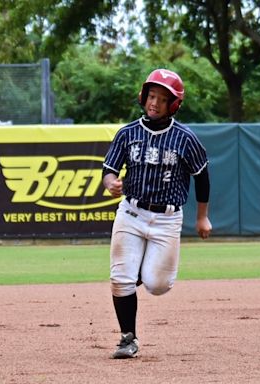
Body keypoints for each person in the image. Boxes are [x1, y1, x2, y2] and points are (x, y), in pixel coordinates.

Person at [102, 68, 212, 358]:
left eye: (162, 99)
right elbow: (109, 169)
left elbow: (202, 176)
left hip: (167, 219)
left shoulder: (185, 138)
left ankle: (136, 272)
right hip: (131, 212)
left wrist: (202, 216)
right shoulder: (128, 133)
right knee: (120, 279)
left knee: (157, 284)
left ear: (173, 105)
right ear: (143, 96)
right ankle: (128, 339)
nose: (154, 102)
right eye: (151, 95)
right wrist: (111, 183)